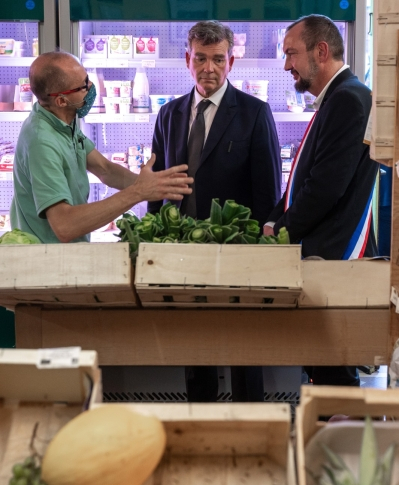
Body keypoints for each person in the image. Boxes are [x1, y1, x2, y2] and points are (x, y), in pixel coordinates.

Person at [149, 20, 282, 403]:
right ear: (187, 59)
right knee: (196, 347)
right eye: (201, 58)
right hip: (183, 250)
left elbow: (268, 193)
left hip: (238, 252)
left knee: (243, 349)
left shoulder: (255, 113)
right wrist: (151, 237)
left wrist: (259, 250)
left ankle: (251, 426)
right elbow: (156, 186)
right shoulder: (169, 115)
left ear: (231, 62)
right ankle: (199, 422)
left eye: (218, 59)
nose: (210, 68)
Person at [264, 14, 379, 387]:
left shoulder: (349, 99)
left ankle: (341, 441)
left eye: (291, 54)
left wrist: (278, 233)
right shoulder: (338, 97)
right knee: (324, 369)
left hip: (334, 263)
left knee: (334, 376)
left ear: (322, 51)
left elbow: (325, 189)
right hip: (324, 260)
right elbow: (307, 182)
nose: (286, 65)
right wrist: (272, 220)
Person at [10, 51, 194, 243]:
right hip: (46, 259)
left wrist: (154, 185)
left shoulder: (61, 118)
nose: (91, 88)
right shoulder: (42, 142)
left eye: (87, 79)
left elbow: (104, 169)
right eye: (83, 86)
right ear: (61, 100)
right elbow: (65, 226)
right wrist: (137, 192)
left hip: (69, 253)